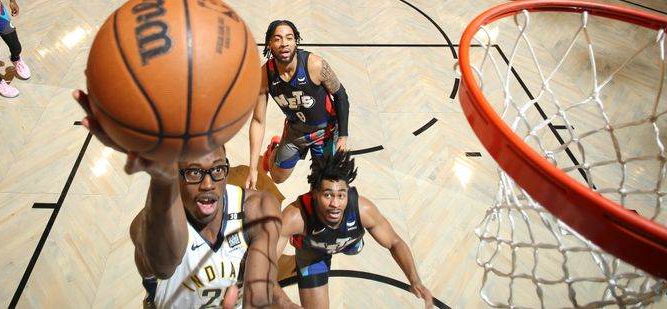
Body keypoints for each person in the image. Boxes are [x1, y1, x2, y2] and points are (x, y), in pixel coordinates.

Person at [71, 91, 282, 309]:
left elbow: (259, 297)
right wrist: (160, 180)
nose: (208, 184)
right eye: (193, 172)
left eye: (218, 169)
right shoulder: (148, 225)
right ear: (176, 173)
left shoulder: (259, 210)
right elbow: (164, 266)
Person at [272, 151, 434, 309]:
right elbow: (262, 266)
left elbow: (394, 242)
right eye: (328, 195)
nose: (335, 204)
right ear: (314, 194)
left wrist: (414, 279)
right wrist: (285, 303)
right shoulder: (295, 217)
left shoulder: (362, 209)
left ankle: (352, 241)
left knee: (355, 245)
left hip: (348, 241)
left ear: (347, 193)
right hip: (313, 254)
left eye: (341, 195)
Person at [246, 20, 349, 190]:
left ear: (296, 41)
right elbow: (258, 121)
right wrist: (252, 169)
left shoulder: (315, 65)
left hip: (326, 132)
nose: (284, 43)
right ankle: (274, 148)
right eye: (277, 39)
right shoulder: (264, 75)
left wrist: (343, 139)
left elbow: (341, 95)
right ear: (269, 44)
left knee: (324, 184)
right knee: (277, 177)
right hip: (296, 130)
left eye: (289, 38)